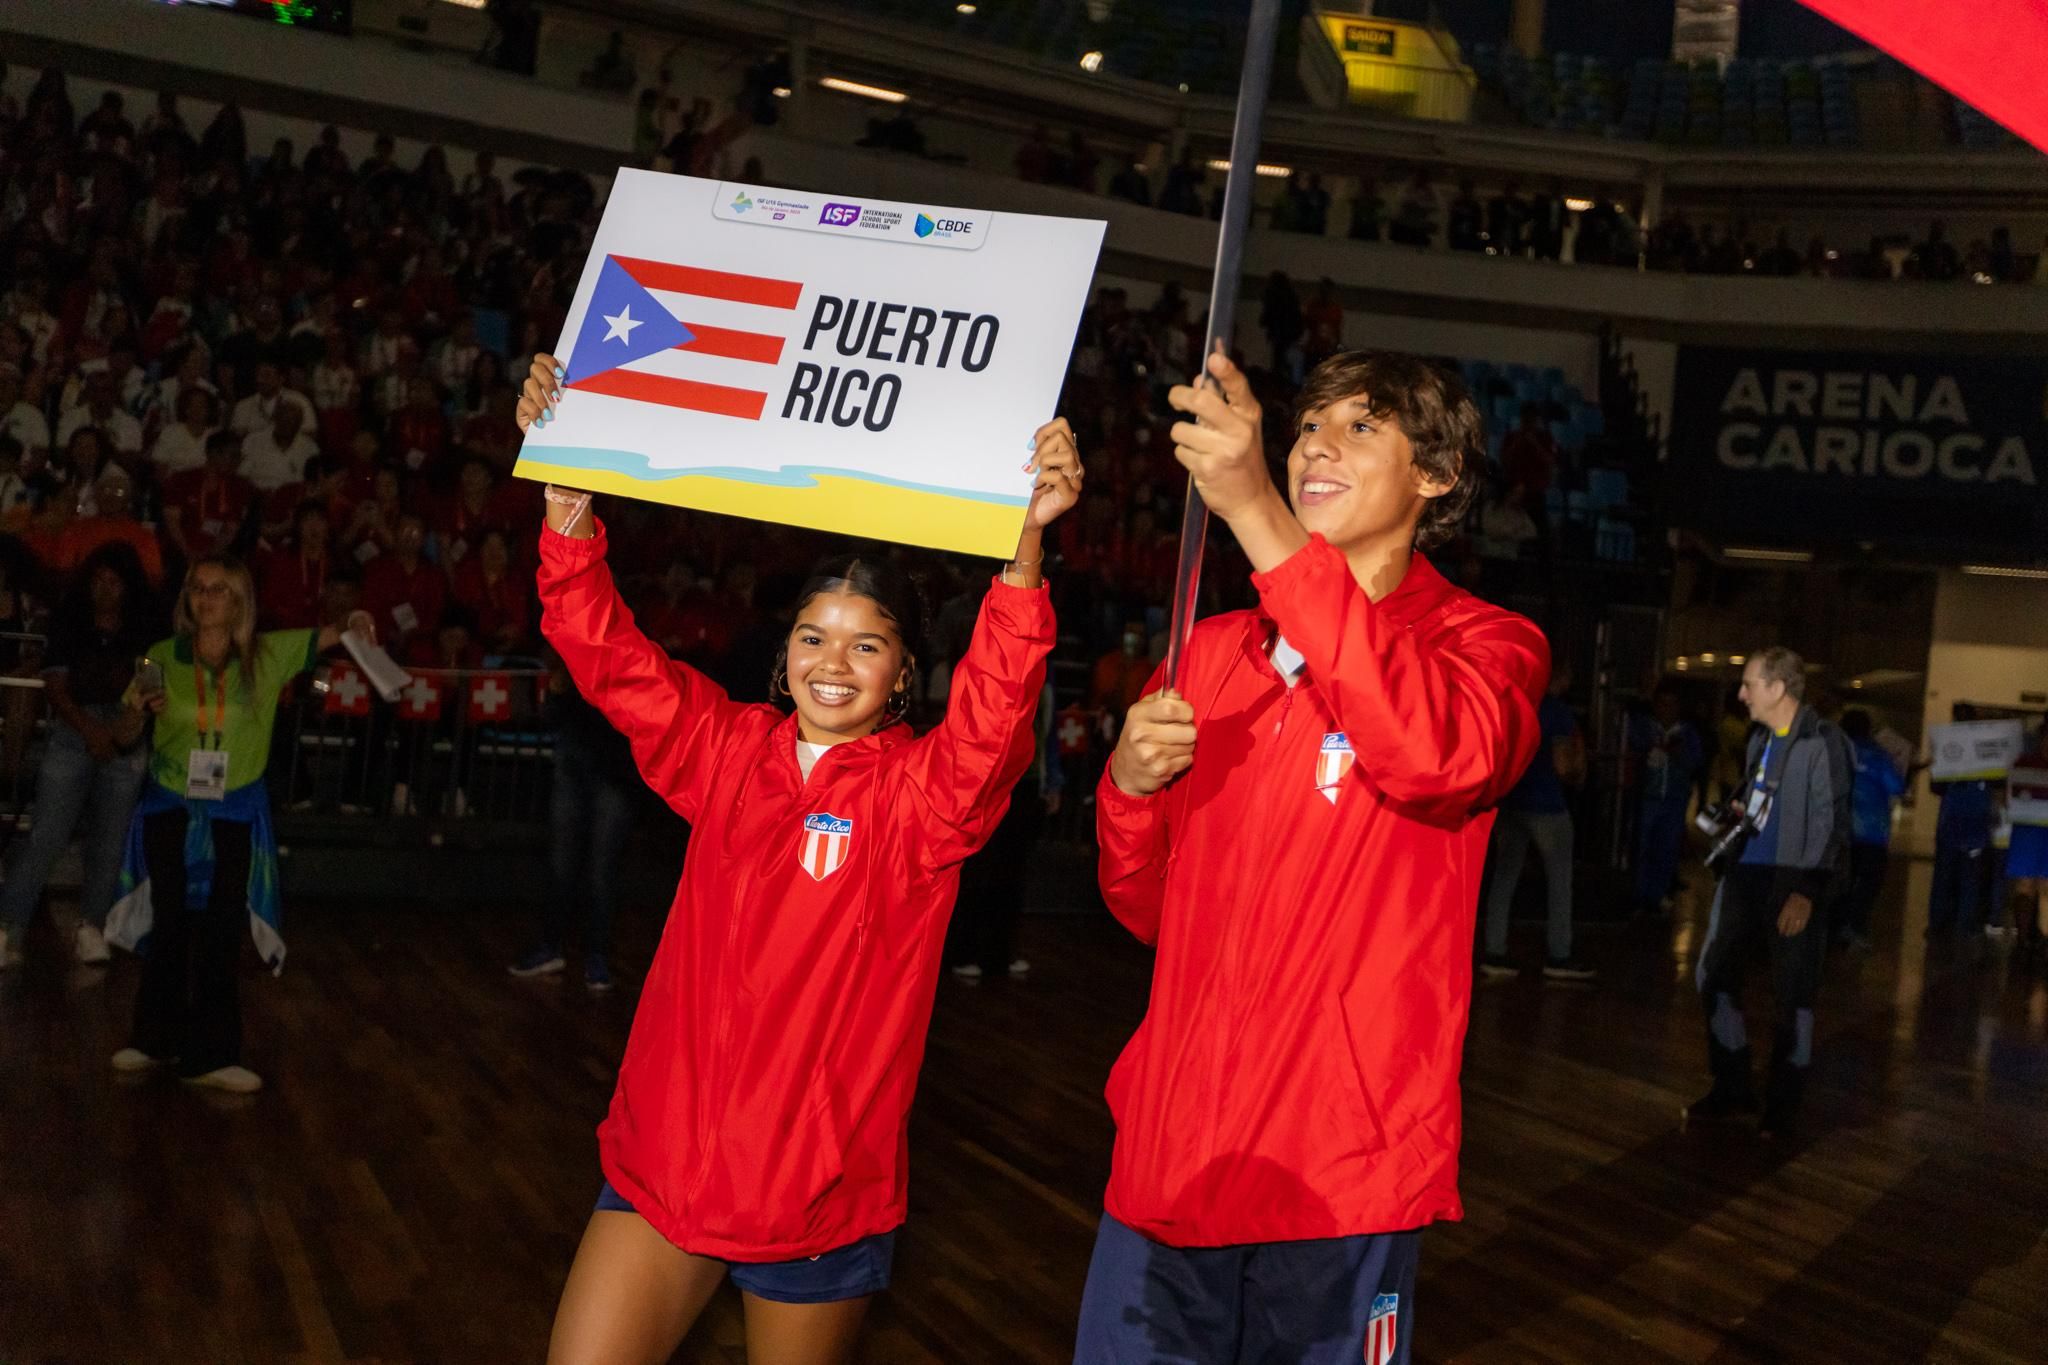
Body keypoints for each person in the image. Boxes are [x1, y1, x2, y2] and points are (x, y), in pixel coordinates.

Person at [518, 352, 1080, 1365]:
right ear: (782, 656)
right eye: (813, 637)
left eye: (866, 645)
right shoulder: (722, 750)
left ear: (904, 673)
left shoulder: (923, 801)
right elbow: (605, 651)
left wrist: (1023, 553)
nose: (833, 662)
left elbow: (993, 725)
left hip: (814, 1196)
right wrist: (566, 500)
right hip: (665, 1167)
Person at [1081, 346, 1546, 1363]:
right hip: (1172, 1151)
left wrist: (1256, 517)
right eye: (1304, 428)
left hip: (1340, 1164)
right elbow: (1151, 912)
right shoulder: (1209, 653)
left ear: (1436, 475)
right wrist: (1125, 790)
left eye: (1359, 427)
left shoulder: (1488, 647)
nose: (1314, 449)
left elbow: (1433, 756)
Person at [106, 557, 375, 1094]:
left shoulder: (266, 655)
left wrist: (356, 620)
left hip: (233, 812)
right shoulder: (161, 656)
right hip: (170, 807)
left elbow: (335, 632)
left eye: (220, 590)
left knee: (222, 927)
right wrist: (138, 710)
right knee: (171, 919)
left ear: (240, 601)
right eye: (199, 589)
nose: (207, 599)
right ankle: (153, 1038)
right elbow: (123, 734)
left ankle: (212, 1052)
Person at [1685, 647, 1847, 1140]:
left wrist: (1807, 890)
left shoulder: (1824, 742)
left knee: (1794, 997)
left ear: (1777, 689)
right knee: (1712, 978)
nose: (1741, 694)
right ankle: (1733, 1085)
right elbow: (1757, 804)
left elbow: (1834, 820)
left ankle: (1782, 1106)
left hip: (1793, 881)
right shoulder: (1759, 739)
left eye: (1749, 684)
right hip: (1745, 876)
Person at [0, 544, 159, 970]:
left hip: (125, 735)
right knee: (46, 835)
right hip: (74, 730)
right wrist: (89, 729)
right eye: (99, 581)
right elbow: (55, 683)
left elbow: (150, 679)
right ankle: (7, 927)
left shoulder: (144, 627)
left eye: (114, 582)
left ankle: (92, 927)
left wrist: (124, 728)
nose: (105, 590)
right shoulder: (70, 621)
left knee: (109, 841)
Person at [510, 654, 641, 993]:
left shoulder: (628, 657)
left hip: (614, 773)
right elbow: (552, 718)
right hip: (573, 767)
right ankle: (551, 947)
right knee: (561, 865)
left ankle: (596, 956)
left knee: (601, 870)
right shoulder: (570, 661)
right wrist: (556, 690)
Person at [1480, 663, 1596, 980]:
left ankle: (1494, 950)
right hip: (1547, 805)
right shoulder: (1557, 711)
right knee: (1559, 879)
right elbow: (1561, 765)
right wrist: (1577, 773)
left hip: (1511, 800)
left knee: (1504, 875)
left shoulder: (1515, 704)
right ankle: (1560, 954)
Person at [949, 678, 1063, 981]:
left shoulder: (1045, 687)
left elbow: (1048, 737)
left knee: (1013, 875)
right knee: (978, 873)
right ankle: (964, 952)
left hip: (1026, 789)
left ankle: (1000, 953)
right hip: (986, 789)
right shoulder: (988, 679)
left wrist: (1052, 782)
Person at [1833, 709, 1906, 951]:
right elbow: (1896, 786)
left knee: (1841, 879)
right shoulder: (1878, 756)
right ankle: (1854, 928)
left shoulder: (1836, 752)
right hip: (1873, 831)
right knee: (1868, 882)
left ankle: (1835, 926)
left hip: (1840, 829)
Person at [1633, 681, 1703, 920]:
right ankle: (1640, 896)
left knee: (1666, 849)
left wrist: (1677, 755)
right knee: (1643, 847)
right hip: (1647, 799)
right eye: (1662, 704)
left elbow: (1695, 762)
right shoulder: (1644, 728)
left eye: (1672, 705)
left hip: (1673, 800)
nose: (1667, 709)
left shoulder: (1687, 733)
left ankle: (1658, 895)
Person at [1929, 703, 1996, 939]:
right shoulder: (1987, 749)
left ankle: (1940, 924)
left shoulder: (1947, 747)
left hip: (1952, 820)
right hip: (1974, 822)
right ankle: (1962, 925)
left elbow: (1935, 786)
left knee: (1945, 876)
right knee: (1968, 878)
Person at [2003, 727, 2048, 963]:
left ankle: (2031, 940)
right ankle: (2024, 939)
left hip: (2029, 834)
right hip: (2029, 834)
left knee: (2038, 888)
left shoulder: (2022, 763)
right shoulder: (2024, 763)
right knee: (2028, 888)